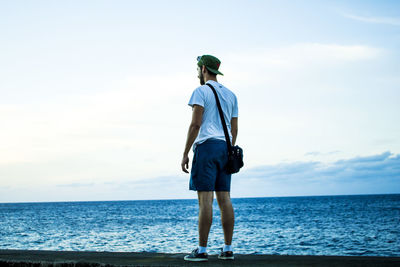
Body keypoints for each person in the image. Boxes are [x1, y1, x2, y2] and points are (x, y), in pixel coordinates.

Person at [181, 55, 238, 262]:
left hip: (206, 147)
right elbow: (234, 129)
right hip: (225, 147)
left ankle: (202, 250)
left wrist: (186, 152)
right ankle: (228, 249)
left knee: (205, 200)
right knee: (225, 198)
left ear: (203, 68)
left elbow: (195, 125)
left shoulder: (201, 91)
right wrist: (228, 148)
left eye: (197, 69)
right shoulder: (231, 95)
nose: (197, 73)